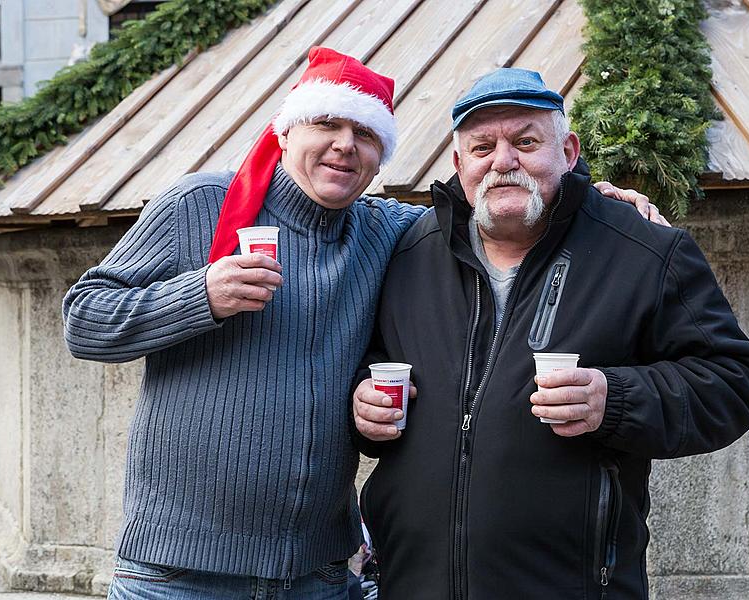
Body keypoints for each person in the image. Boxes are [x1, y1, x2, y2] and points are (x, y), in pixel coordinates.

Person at [62, 48, 654, 598]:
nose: (345, 145)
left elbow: (491, 204)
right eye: (327, 124)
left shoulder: (385, 231)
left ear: (379, 156)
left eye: (365, 134)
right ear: (285, 132)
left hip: (316, 575)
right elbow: (84, 321)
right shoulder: (200, 206)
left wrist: (590, 206)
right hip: (179, 575)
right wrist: (200, 295)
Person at [352, 68, 749, 600]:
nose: (503, 162)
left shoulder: (643, 251)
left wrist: (613, 399)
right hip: (414, 584)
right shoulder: (408, 253)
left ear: (568, 151)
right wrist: (364, 406)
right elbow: (371, 363)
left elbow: (734, 382)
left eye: (525, 142)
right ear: (459, 166)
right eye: (482, 147)